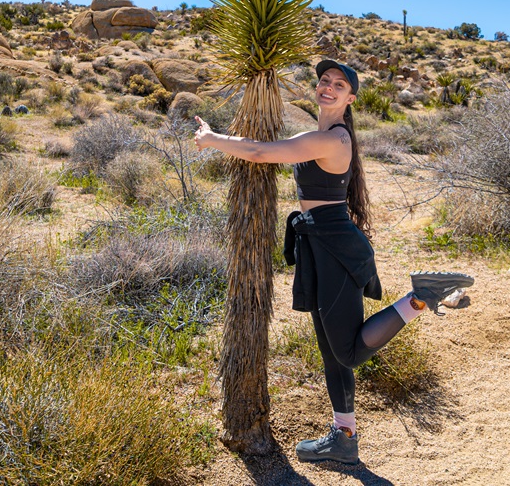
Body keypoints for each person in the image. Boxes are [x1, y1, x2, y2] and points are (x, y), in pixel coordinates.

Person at [195, 59, 473, 465]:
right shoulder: (321, 133)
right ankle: (344, 438)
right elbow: (270, 147)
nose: (328, 87)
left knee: (347, 353)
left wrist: (211, 137)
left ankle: (418, 298)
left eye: (338, 85)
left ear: (350, 99)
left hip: (335, 249)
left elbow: (258, 151)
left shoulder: (332, 139)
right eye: (324, 81)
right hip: (319, 244)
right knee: (331, 351)